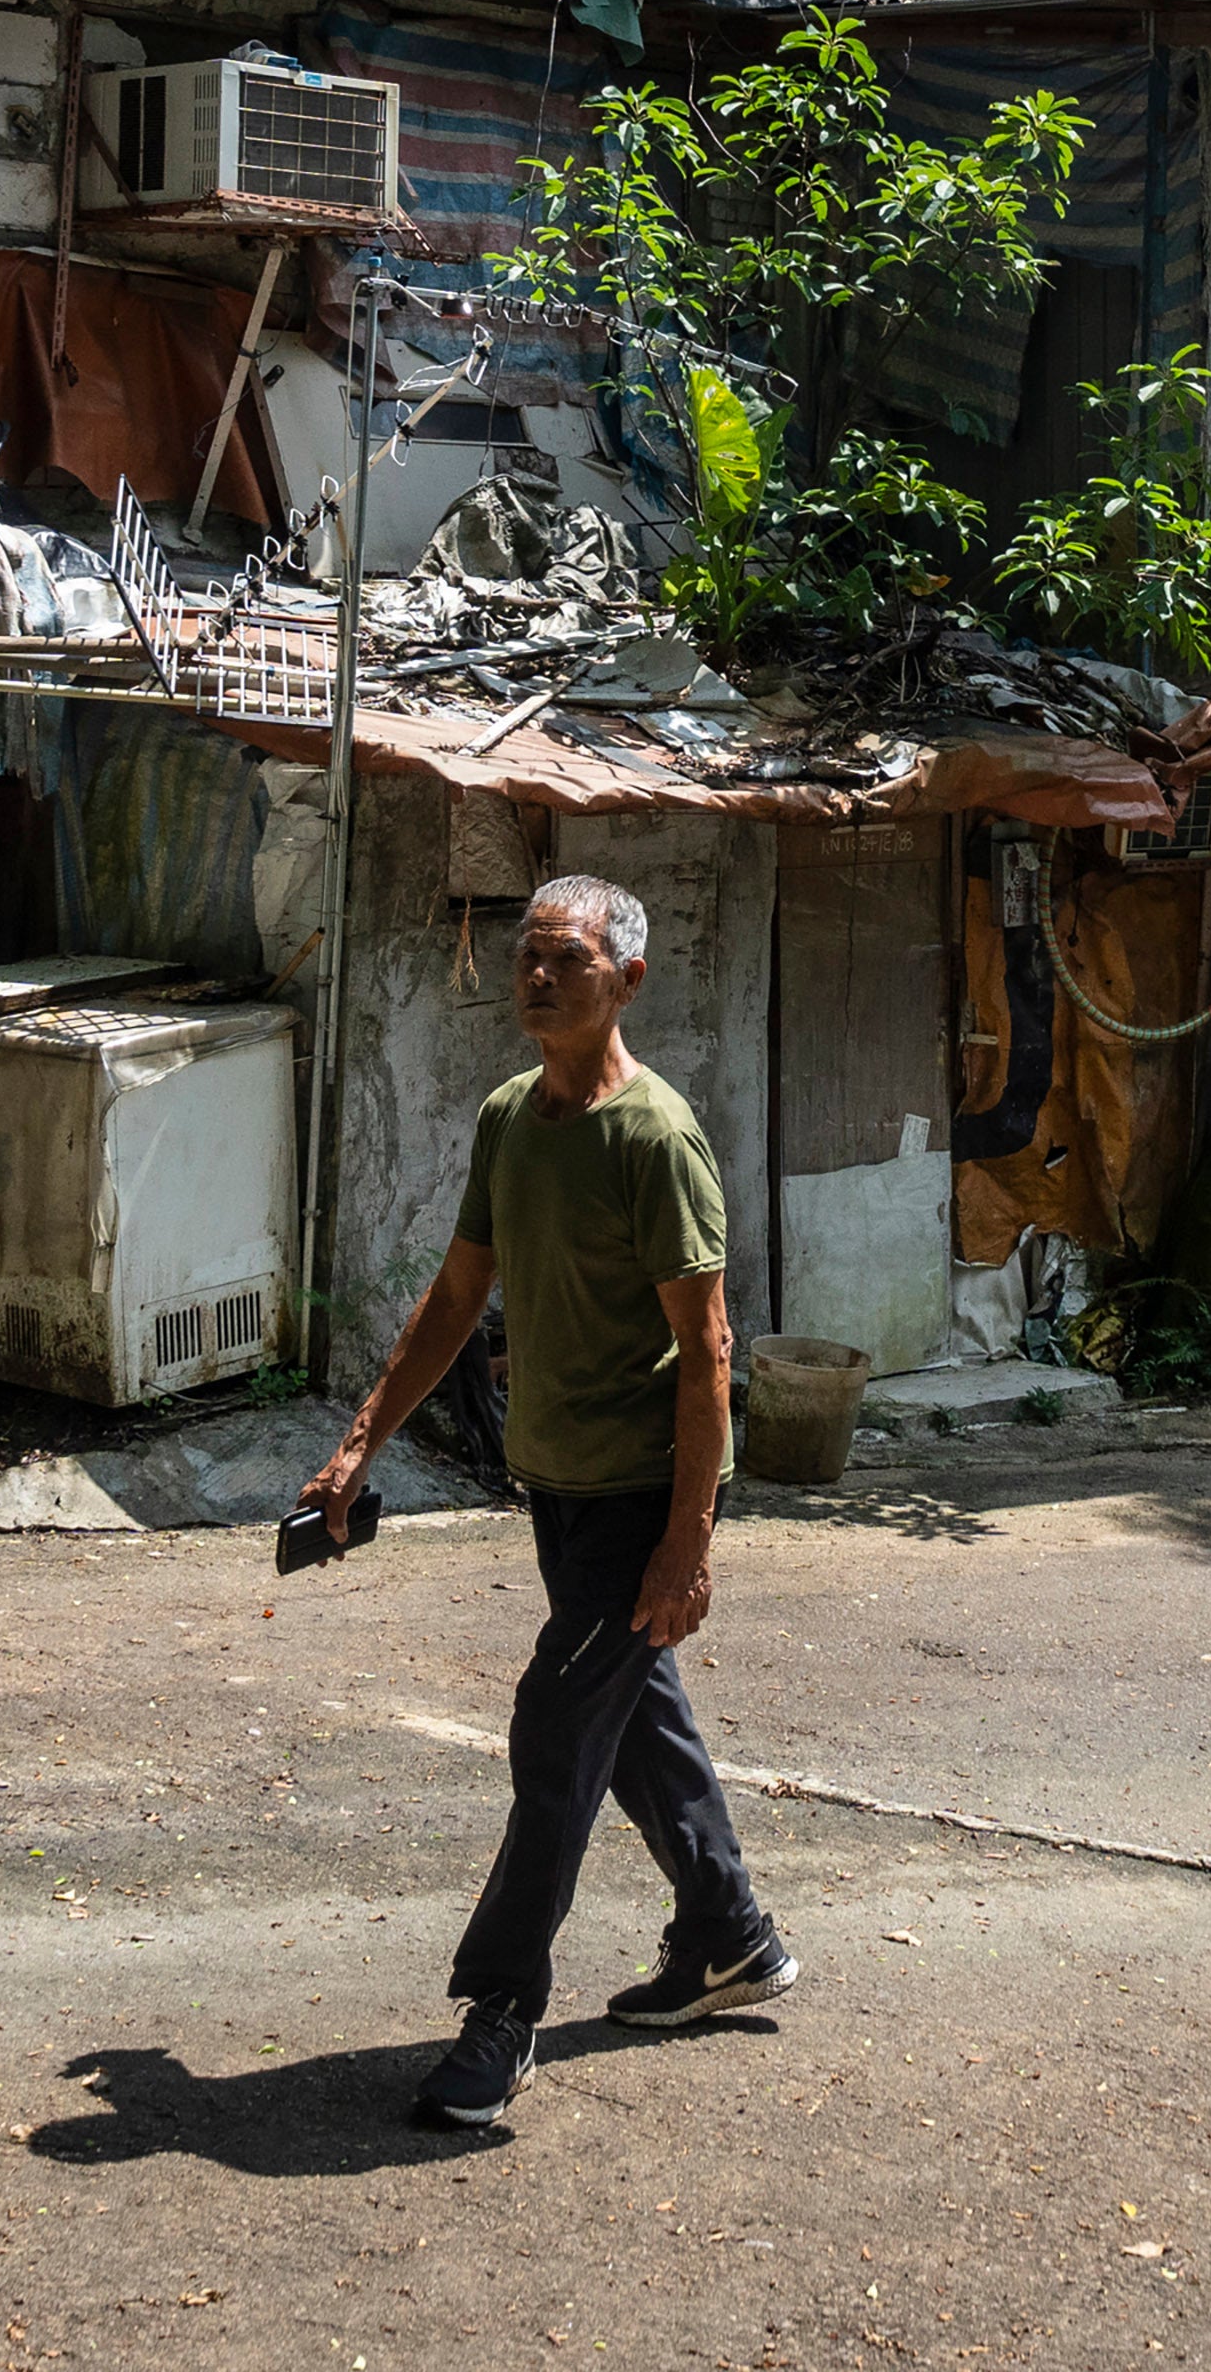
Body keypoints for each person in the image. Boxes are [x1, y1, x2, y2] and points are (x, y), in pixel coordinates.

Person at [304, 872, 794, 2129]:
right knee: (633, 1721)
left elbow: (711, 1349)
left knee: (554, 1730)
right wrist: (361, 1445)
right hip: (558, 1486)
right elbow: (459, 1295)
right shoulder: (511, 1117)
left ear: (625, 979)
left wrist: (689, 1541)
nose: (536, 976)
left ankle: (502, 2009)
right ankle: (730, 1934)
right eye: (527, 956)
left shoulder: (658, 1137)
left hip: (641, 1493)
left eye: (564, 959)